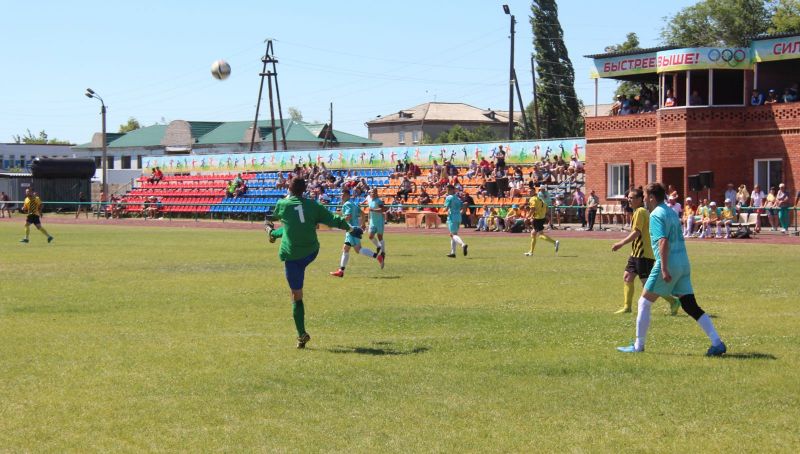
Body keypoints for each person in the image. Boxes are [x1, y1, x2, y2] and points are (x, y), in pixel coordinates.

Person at [617, 182, 726, 356]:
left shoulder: (655, 215)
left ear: (651, 197)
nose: (644, 199)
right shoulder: (671, 212)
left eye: (645, 196)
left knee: (644, 302)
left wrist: (664, 268)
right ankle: (717, 342)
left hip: (668, 263)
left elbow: (663, 241)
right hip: (683, 263)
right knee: (690, 305)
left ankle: (638, 346)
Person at [266, 177, 364, 348]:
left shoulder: (283, 204)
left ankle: (301, 335)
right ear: (304, 190)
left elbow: (271, 217)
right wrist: (350, 228)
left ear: (289, 189)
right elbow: (333, 218)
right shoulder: (313, 205)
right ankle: (301, 334)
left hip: (293, 256)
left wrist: (269, 230)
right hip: (311, 251)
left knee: (296, 295)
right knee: (294, 229)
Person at [611, 187, 680, 315]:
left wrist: (620, 243)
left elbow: (636, 232)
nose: (629, 200)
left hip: (643, 254)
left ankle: (673, 301)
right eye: (628, 198)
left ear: (640, 199)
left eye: (632, 198)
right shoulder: (638, 211)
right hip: (636, 254)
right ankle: (627, 307)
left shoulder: (640, 212)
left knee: (648, 285)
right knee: (627, 276)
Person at [329, 190, 384, 278]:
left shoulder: (347, 204)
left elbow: (348, 217)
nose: (341, 197)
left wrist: (339, 222)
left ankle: (378, 257)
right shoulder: (353, 203)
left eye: (343, 195)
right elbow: (362, 213)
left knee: (358, 250)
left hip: (351, 230)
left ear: (348, 195)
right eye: (341, 195)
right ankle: (341, 271)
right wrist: (363, 224)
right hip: (352, 229)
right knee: (346, 249)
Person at [525, 186, 559, 256]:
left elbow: (532, 209)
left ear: (534, 192)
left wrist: (527, 217)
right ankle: (531, 252)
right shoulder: (539, 198)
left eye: (530, 191)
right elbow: (546, 208)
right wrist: (542, 213)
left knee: (540, 235)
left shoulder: (532, 199)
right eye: (528, 191)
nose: (529, 192)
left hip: (537, 219)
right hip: (541, 218)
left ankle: (554, 242)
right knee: (533, 233)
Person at [443, 184, 468, 258]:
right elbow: (463, 207)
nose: (446, 191)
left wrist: (444, 209)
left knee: (453, 235)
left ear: (450, 190)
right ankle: (453, 252)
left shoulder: (449, 197)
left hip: (452, 217)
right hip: (458, 217)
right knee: (454, 234)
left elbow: (446, 208)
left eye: (447, 190)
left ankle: (463, 244)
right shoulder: (457, 198)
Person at [366, 188, 388, 259]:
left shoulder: (378, 201)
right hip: (372, 222)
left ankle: (383, 252)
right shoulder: (370, 200)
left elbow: (383, 209)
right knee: (370, 236)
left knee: (380, 237)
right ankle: (378, 246)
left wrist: (373, 210)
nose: (371, 193)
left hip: (379, 221)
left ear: (376, 193)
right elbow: (370, 211)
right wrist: (369, 219)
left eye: (373, 192)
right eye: (371, 192)